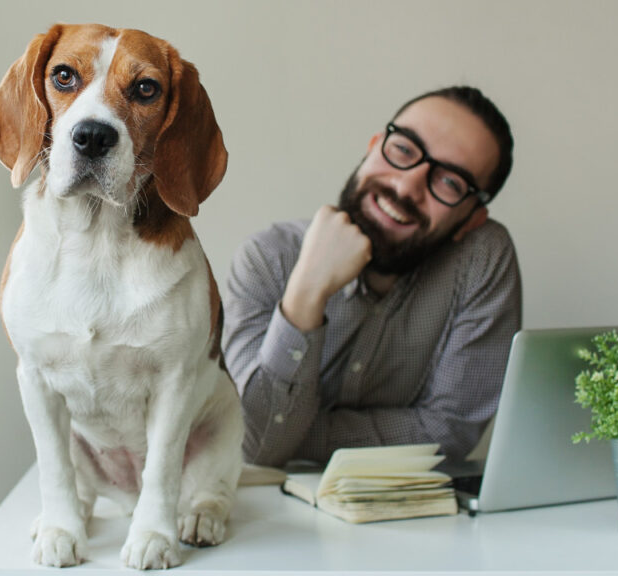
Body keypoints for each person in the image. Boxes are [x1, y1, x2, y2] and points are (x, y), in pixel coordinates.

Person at [222, 86, 522, 467]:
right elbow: (257, 445)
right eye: (404, 149)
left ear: (471, 219)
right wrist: (307, 292)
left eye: (450, 182)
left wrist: (296, 435)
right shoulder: (269, 260)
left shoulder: (481, 260)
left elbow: (450, 432)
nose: (406, 185)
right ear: (374, 145)